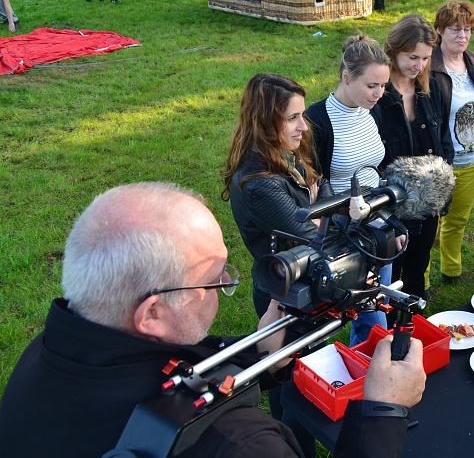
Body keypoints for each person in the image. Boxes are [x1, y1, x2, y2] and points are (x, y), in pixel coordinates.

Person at [0, 182, 427, 458]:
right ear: (152, 313)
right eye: (213, 279)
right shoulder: (241, 444)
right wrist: (383, 410)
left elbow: (163, 374)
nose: (225, 284)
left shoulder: (49, 353)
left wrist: (260, 357)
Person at [306, 35, 393, 343]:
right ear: (346, 76)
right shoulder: (316, 120)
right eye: (372, 85)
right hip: (343, 230)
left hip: (379, 224)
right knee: (369, 316)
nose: (379, 94)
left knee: (376, 306)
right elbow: (312, 183)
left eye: (383, 85)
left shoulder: (372, 110)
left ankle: (364, 364)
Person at [223, 73, 332, 318]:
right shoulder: (260, 184)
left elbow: (322, 183)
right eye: (293, 118)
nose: (304, 126)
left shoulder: (284, 153)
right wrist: (320, 214)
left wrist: (316, 214)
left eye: (302, 115)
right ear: (266, 121)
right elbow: (313, 237)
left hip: (305, 281)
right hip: (283, 294)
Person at [372, 14, 453, 298]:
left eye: (426, 58)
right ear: (393, 51)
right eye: (412, 57)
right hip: (390, 206)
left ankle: (415, 319)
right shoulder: (377, 97)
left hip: (427, 201)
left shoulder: (432, 90)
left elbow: (444, 143)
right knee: (389, 275)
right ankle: (388, 324)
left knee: (418, 268)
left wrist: (442, 192)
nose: (419, 66)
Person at [429, 0, 474, 284]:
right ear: (439, 30)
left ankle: (451, 271)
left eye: (468, 29)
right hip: (438, 163)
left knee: (457, 220)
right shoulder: (428, 67)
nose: (463, 35)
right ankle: (420, 282)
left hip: (472, 160)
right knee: (427, 226)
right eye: (455, 29)